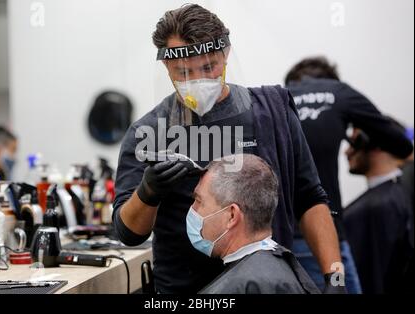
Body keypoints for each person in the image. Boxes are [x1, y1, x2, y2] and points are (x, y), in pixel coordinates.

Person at [113, 4, 343, 294]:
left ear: (226, 54)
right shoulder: (149, 132)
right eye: (183, 72)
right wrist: (149, 191)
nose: (198, 80)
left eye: (209, 67)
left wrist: (334, 278)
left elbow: (310, 199)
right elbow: (128, 233)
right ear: (166, 67)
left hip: (267, 284)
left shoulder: (272, 113)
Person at [284, 57, 413, 293]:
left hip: (280, 240)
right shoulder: (338, 93)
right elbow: (401, 143)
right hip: (325, 241)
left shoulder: (276, 99)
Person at [193, 154, 320, 294]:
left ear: (232, 215)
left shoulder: (245, 286)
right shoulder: (280, 267)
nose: (193, 210)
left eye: (199, 201)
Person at [343, 126, 414, 294]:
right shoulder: (399, 196)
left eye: (354, 143)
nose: (347, 152)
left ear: (377, 145)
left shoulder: (377, 207)